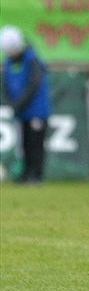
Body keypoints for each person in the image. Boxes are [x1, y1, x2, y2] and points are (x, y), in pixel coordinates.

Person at [0, 26, 51, 184]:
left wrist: (18, 103)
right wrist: (10, 103)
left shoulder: (32, 59)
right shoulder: (8, 63)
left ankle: (36, 175)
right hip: (21, 112)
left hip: (36, 111)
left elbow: (33, 85)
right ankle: (27, 173)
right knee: (25, 145)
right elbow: (6, 85)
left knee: (35, 143)